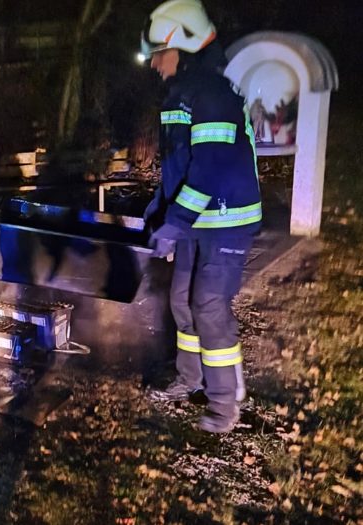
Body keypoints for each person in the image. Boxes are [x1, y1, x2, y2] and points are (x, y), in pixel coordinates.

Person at [140, 0, 262, 432]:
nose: (154, 63)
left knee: (208, 305)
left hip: (227, 219)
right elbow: (180, 164)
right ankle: (189, 379)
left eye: (159, 52)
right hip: (197, 220)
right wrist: (158, 212)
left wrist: (174, 223)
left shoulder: (212, 94)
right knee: (181, 300)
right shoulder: (183, 93)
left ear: (185, 46)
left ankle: (224, 404)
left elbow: (209, 169)